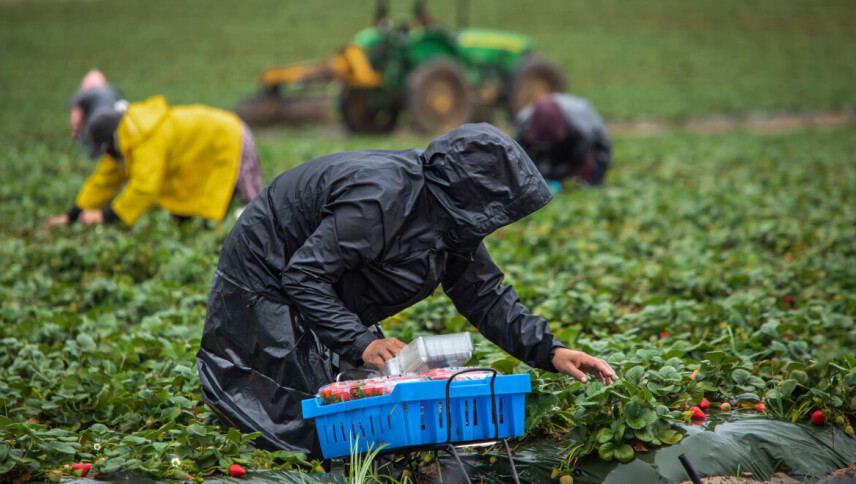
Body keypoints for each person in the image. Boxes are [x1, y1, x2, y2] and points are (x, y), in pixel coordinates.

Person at [196, 123, 618, 457]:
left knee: (355, 391)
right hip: (265, 267)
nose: (496, 223)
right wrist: (361, 342)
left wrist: (550, 351)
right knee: (300, 416)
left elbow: (484, 294)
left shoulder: (452, 218)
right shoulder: (379, 202)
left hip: (324, 275)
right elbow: (303, 276)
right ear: (468, 194)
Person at [43, 92, 263, 228]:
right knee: (189, 215)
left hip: (231, 136)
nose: (106, 156)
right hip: (203, 149)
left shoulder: (147, 137)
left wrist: (105, 216)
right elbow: (105, 179)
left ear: (110, 141)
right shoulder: (124, 139)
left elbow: (145, 188)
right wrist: (72, 214)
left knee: (251, 205)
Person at [515, 93, 612, 189]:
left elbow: (583, 158)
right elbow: (521, 156)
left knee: (592, 177)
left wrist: (569, 179)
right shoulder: (524, 121)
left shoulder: (581, 125)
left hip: (585, 134)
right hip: (560, 135)